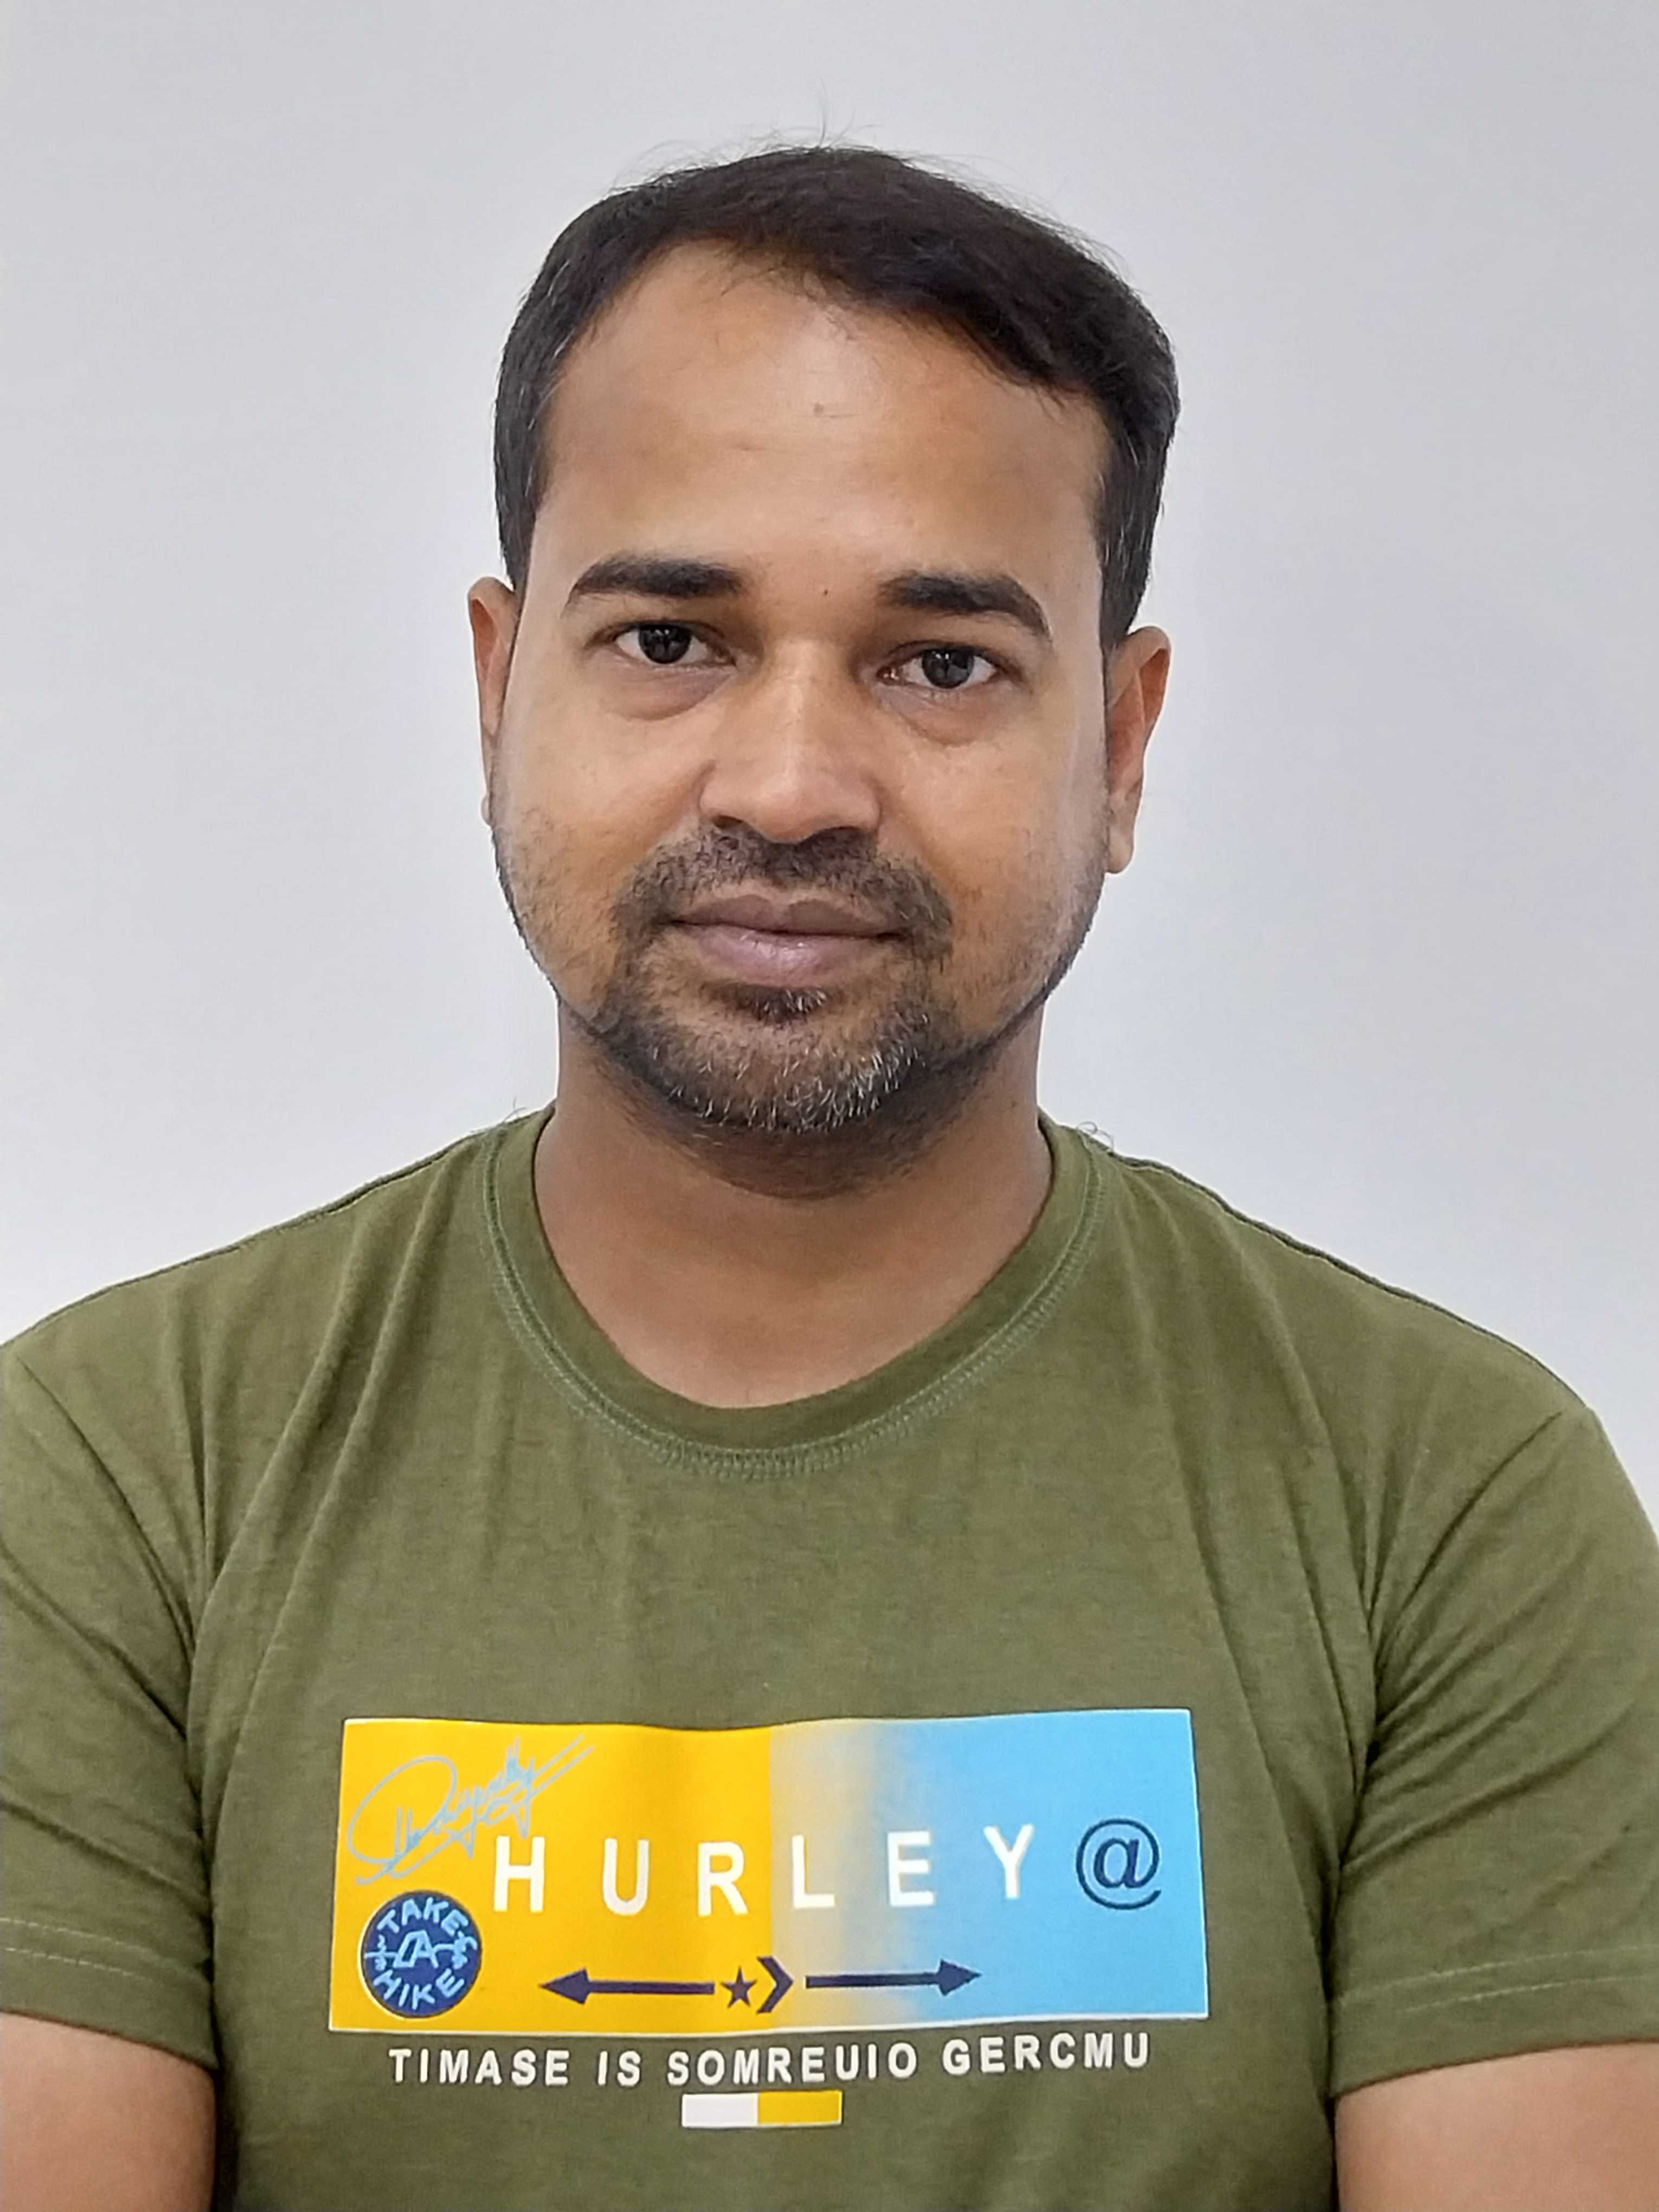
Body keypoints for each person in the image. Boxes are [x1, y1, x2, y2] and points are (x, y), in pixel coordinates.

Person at [2, 142, 1656, 2212]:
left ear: (1119, 745)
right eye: (670, 639)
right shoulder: (118, 1476)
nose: (789, 786)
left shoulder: (1443, 1501)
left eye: (939, 663)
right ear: (499, 690)